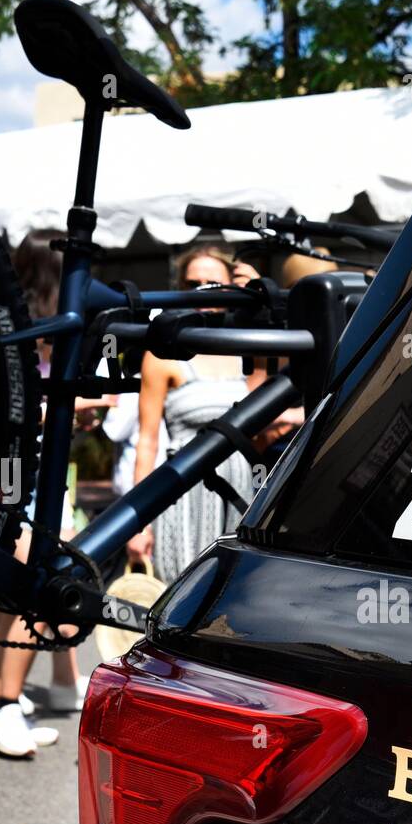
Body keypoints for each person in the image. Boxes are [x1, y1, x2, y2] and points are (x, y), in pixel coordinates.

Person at [0, 230, 110, 757]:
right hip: (15, 477)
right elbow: (2, 409)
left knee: (6, 588)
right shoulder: (29, 333)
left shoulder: (23, 326)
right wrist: (73, 410)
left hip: (24, 475)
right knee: (48, 583)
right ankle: (4, 705)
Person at [127, 245, 299, 582]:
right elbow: (146, 441)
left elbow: (263, 428)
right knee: (177, 590)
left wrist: (261, 296)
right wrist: (137, 524)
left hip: (241, 489)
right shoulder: (162, 356)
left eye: (213, 283)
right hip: (183, 489)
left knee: (231, 596)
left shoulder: (250, 351)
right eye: (193, 283)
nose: (202, 291)